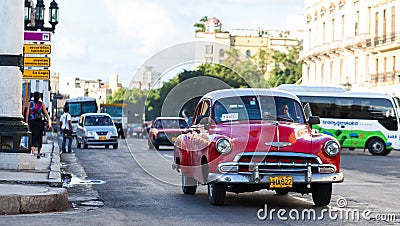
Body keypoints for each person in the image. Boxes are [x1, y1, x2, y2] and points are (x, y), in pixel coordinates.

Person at [25, 92, 50, 158]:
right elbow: (46, 114)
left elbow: (27, 113)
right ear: (39, 97)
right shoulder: (41, 104)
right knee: (39, 137)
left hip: (32, 122)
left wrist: (27, 123)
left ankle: (32, 152)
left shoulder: (30, 103)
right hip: (39, 123)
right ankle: (38, 153)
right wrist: (48, 122)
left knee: (33, 136)